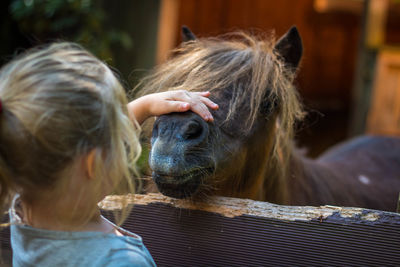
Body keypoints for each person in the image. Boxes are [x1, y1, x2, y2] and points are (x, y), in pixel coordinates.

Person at [0, 42, 218, 266]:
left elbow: (57, 142)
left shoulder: (24, 198)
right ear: (92, 164)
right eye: (115, 134)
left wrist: (144, 107)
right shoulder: (121, 261)